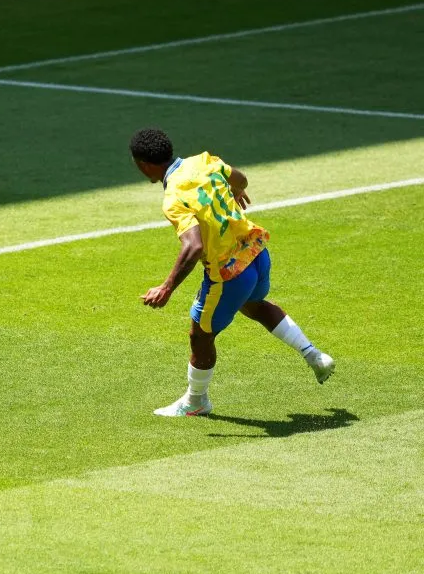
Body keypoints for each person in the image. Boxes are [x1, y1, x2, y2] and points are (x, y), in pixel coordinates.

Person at [130, 128, 335, 417]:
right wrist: (236, 190)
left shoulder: (174, 197)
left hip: (228, 274)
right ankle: (315, 356)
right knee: (254, 305)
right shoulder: (202, 161)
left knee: (199, 334)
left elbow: (193, 246)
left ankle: (196, 400)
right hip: (256, 254)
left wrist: (166, 287)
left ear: (143, 165)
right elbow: (240, 179)